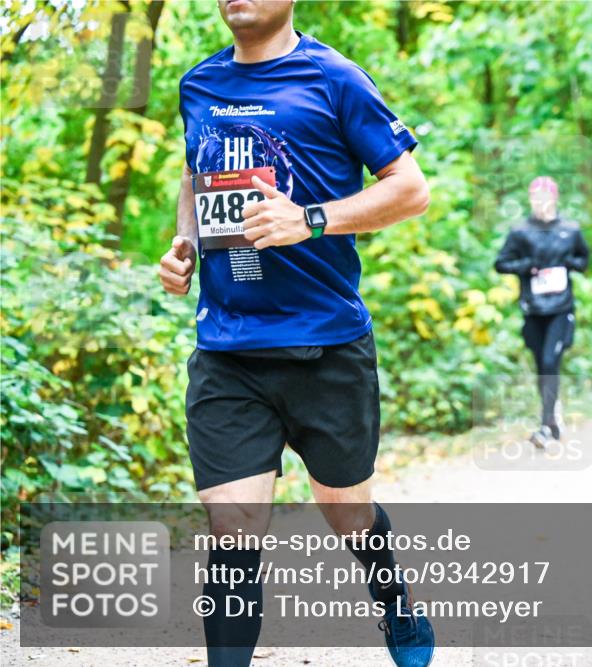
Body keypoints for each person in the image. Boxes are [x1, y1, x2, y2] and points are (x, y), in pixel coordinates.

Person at [159, 1, 433, 665]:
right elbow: (198, 177)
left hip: (326, 346)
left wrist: (310, 218)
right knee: (232, 529)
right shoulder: (198, 84)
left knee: (348, 514)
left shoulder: (334, 78)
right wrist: (185, 243)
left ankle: (394, 604)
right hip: (228, 350)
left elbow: (410, 189)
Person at [494, 176, 590, 449]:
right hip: (533, 309)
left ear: (555, 199)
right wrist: (527, 266)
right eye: (536, 198)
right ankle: (552, 415)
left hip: (561, 308)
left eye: (545, 198)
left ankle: (546, 426)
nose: (540, 203)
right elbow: (501, 263)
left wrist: (567, 264)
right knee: (542, 367)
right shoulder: (521, 231)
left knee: (550, 362)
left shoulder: (570, 230)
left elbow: (584, 260)